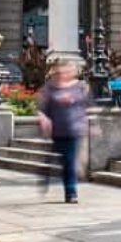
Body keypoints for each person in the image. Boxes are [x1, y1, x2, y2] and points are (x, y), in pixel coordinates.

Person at [36, 59, 90, 203]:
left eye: (68, 70)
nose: (64, 73)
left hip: (74, 128)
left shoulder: (80, 86)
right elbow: (41, 107)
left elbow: (86, 105)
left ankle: (71, 193)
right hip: (57, 129)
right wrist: (43, 118)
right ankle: (47, 178)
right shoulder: (50, 88)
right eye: (62, 71)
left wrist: (90, 124)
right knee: (63, 160)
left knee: (69, 160)